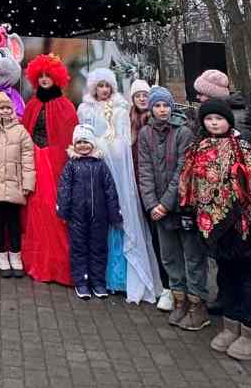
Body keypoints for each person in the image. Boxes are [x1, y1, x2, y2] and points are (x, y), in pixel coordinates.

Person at [180, 100, 251, 361]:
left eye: (219, 119)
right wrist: (188, 212)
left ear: (228, 121)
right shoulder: (198, 148)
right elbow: (189, 182)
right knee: (226, 279)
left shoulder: (242, 148)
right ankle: (231, 325)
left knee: (248, 281)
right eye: (209, 118)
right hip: (215, 229)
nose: (214, 123)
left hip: (244, 227)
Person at [78, 68, 160, 304]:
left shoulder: (121, 109)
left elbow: (125, 140)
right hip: (97, 168)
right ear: (94, 88)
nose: (104, 90)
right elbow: (85, 138)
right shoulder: (85, 109)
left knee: (122, 215)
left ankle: (122, 277)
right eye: (100, 86)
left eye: (107, 86)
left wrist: (113, 149)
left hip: (119, 169)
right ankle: (99, 276)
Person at [137, 86, 208, 329]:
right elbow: (145, 170)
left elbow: (182, 171)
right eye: (157, 106)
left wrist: (165, 204)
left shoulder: (183, 132)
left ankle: (197, 303)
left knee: (192, 256)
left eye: (166, 105)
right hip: (158, 207)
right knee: (169, 257)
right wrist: (151, 204)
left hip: (181, 206)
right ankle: (179, 300)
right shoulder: (146, 133)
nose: (162, 110)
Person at [19, 53, 77, 285]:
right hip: (33, 161)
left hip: (54, 166)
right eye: (40, 75)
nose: (44, 79)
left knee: (53, 212)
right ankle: (35, 260)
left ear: (56, 78)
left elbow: (69, 141)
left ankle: (56, 263)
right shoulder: (32, 105)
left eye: (48, 75)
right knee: (32, 211)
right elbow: (25, 135)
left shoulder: (66, 107)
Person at [57, 125, 122, 299]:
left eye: (86, 142)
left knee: (98, 249)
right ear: (74, 145)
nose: (83, 146)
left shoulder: (101, 165)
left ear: (93, 144)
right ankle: (82, 282)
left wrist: (114, 214)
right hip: (77, 217)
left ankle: (98, 282)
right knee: (79, 249)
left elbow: (110, 191)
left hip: (99, 217)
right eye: (79, 142)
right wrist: (63, 211)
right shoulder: (71, 165)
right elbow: (64, 189)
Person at [0, 91, 35, 278]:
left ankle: (16, 256)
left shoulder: (20, 131)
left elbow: (28, 157)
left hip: (14, 183)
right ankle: (1, 255)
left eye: (7, 108)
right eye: (1, 108)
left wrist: (28, 182)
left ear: (12, 110)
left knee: (14, 222)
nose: (4, 111)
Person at [128, 78, 172, 311]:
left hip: (159, 189)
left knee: (162, 238)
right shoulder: (129, 121)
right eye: (138, 95)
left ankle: (168, 285)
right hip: (138, 186)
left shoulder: (160, 127)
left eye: (146, 95)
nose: (142, 99)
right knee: (148, 235)